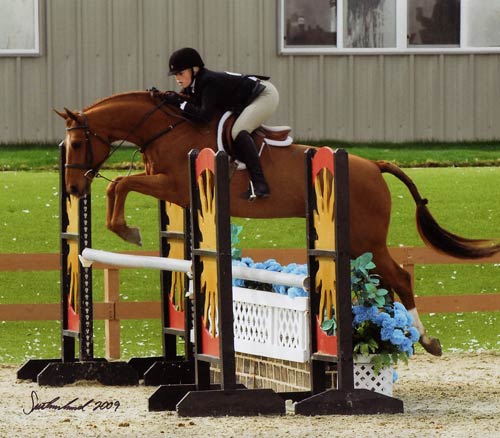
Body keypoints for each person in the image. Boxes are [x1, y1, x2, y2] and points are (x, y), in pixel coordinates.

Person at [162, 47, 279, 200]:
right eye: (175, 75)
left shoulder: (208, 81)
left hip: (264, 95)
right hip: (248, 97)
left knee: (238, 131)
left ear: (194, 69)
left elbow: (204, 116)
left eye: (180, 73)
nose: (177, 78)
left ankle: (260, 184)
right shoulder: (195, 84)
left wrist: (179, 103)